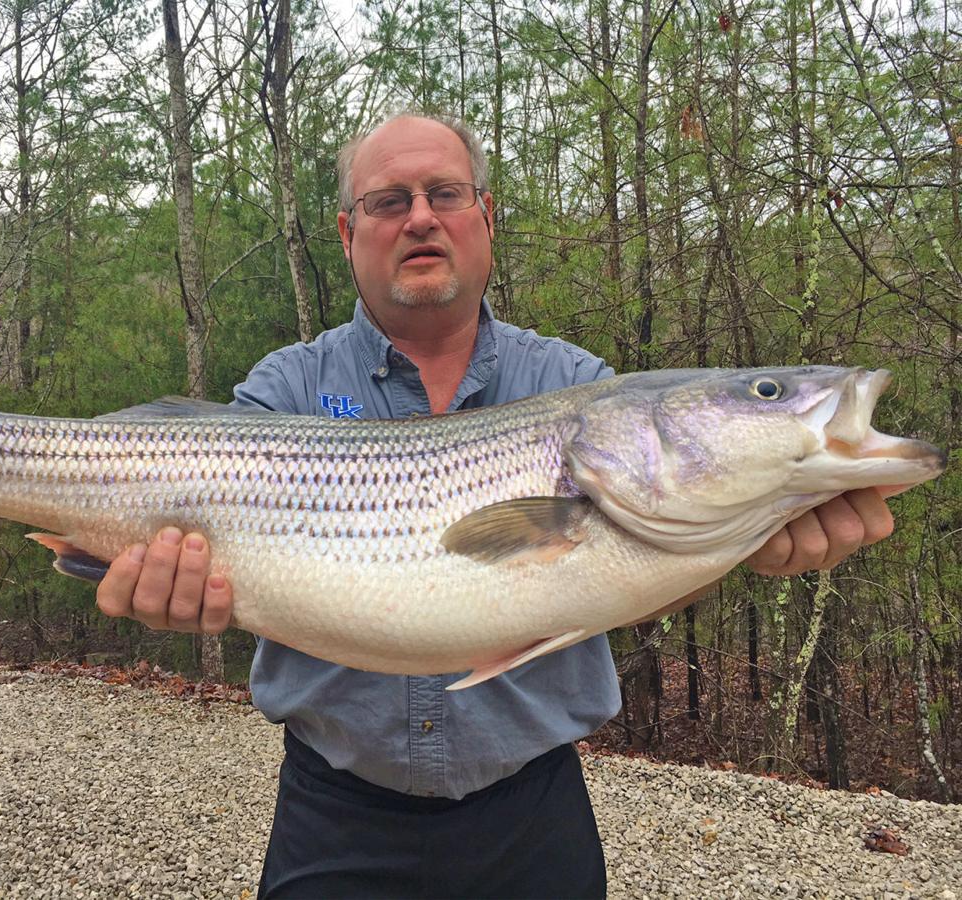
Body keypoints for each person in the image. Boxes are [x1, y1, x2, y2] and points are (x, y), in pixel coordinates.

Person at [94, 113, 898, 898]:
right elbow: (197, 561)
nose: (419, 218)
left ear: (485, 217)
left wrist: (747, 535)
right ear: (347, 234)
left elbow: (634, 581)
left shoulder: (578, 383)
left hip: (533, 811)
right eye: (388, 201)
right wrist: (171, 589)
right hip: (334, 812)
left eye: (446, 194)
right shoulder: (286, 388)